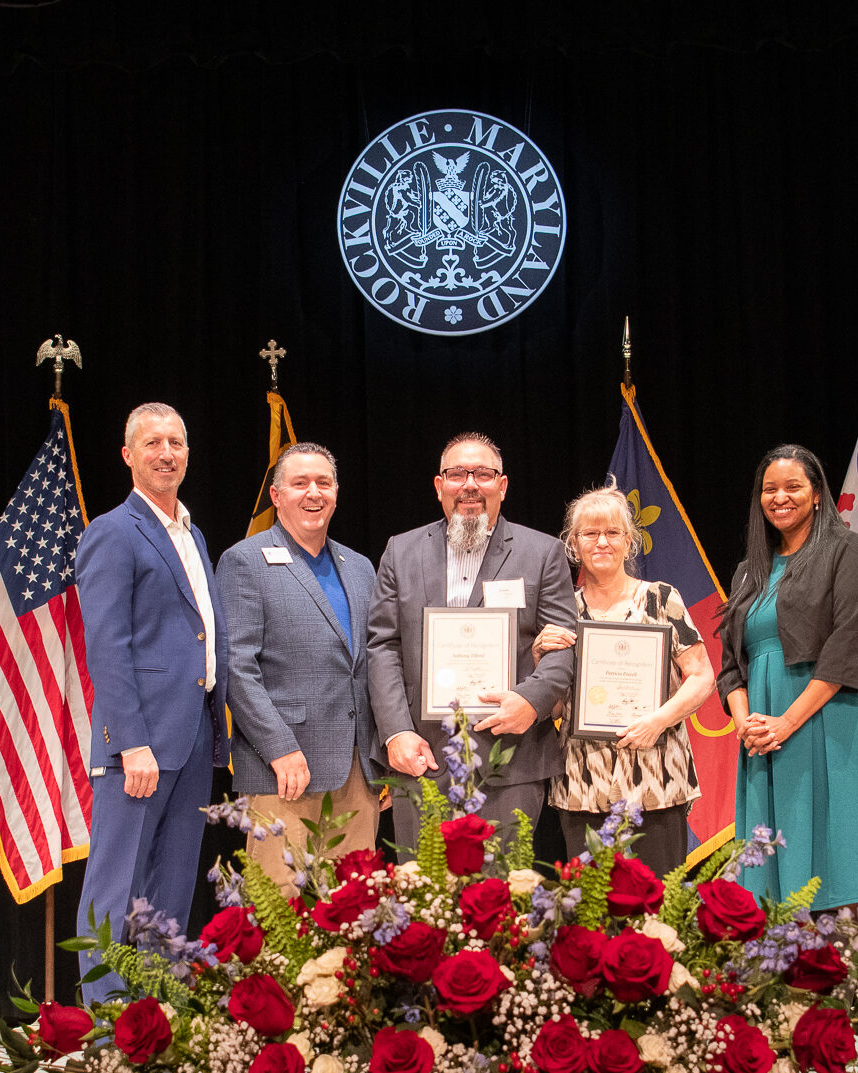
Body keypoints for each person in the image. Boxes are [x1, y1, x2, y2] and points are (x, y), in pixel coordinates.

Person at [74, 402, 229, 1005]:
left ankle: (160, 1016)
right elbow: (107, 648)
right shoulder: (112, 532)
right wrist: (129, 740)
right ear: (128, 455)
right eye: (153, 442)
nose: (167, 452)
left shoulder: (193, 533)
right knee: (115, 887)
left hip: (192, 735)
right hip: (139, 743)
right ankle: (109, 1025)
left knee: (171, 883)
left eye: (177, 442)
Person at [367, 431, 578, 851]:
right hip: (420, 755)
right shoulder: (400, 551)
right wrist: (396, 733)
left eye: (483, 474)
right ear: (439, 486)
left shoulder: (543, 552)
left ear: (502, 486)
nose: (469, 484)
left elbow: (563, 644)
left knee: (501, 901)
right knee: (425, 903)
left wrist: (531, 701)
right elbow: (382, 645)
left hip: (511, 758)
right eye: (457, 473)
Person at [718, 444, 858, 918]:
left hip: (824, 719)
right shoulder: (748, 573)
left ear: (818, 494)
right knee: (772, 873)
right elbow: (730, 667)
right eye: (769, 489)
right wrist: (747, 726)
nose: (780, 497)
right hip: (762, 733)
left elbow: (847, 649)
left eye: (793, 487)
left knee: (828, 860)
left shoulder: (847, 550)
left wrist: (787, 722)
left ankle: (837, 978)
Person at [216, 443, 379, 894]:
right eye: (300, 483)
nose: (314, 493)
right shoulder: (244, 561)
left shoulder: (361, 568)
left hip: (357, 772)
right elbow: (236, 667)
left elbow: (373, 664)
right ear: (276, 494)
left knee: (353, 915)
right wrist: (278, 747)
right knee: (281, 921)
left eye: (323, 483)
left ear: (336, 492)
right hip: (285, 770)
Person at [531, 481, 715, 871]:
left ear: (629, 541)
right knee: (590, 916)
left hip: (656, 780)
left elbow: (701, 677)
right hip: (584, 784)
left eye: (612, 532)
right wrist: (538, 662)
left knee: (656, 913)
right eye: (590, 533)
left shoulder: (662, 599)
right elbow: (558, 704)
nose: (601, 542)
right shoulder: (562, 610)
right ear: (574, 543)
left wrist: (658, 720)